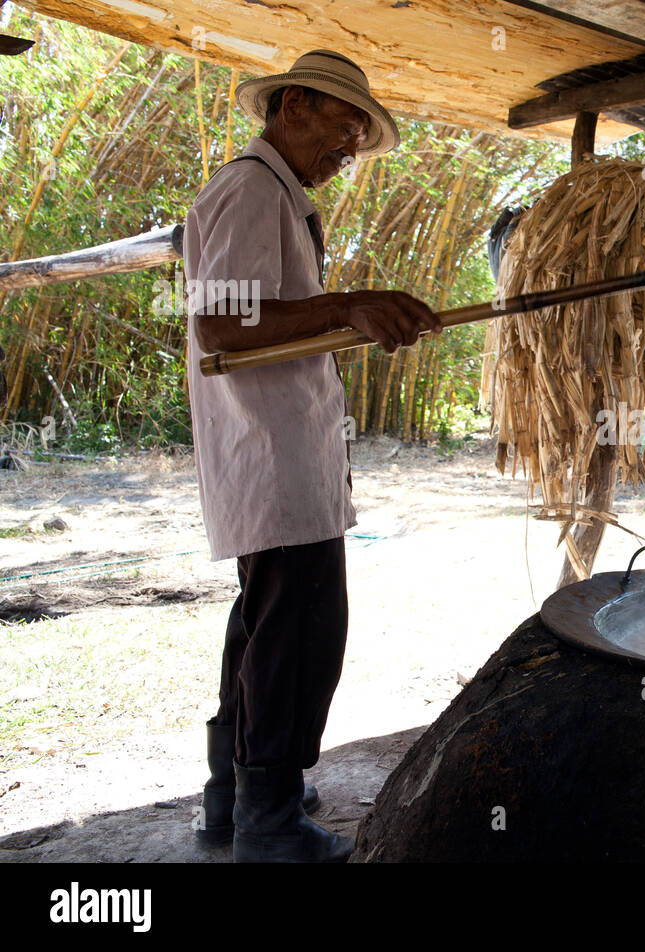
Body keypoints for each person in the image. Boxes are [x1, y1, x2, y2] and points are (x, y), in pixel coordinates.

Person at [183, 49, 440, 862]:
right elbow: (222, 326)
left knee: (265, 631)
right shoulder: (254, 189)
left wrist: (350, 320)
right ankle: (270, 823)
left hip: (275, 455)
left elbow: (263, 320)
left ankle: (235, 799)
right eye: (343, 127)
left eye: (359, 137)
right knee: (299, 635)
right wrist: (348, 304)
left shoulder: (274, 195)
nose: (351, 150)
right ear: (293, 105)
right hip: (272, 457)